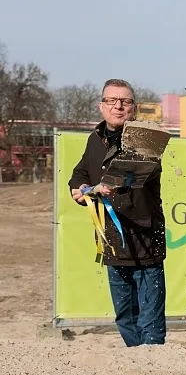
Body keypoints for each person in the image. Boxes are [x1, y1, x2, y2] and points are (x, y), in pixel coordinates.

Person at [68, 79, 166, 346]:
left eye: (125, 101)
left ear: (134, 108)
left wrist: (100, 186)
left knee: (150, 320)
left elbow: (140, 173)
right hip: (112, 240)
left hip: (145, 238)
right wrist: (83, 189)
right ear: (102, 106)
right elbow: (78, 177)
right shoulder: (94, 139)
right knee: (125, 317)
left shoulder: (145, 137)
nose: (118, 106)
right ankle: (135, 369)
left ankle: (155, 368)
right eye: (112, 100)